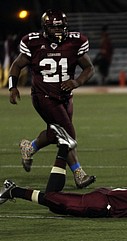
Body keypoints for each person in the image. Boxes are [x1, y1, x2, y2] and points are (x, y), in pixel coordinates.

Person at [8, 9, 96, 189]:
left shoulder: (74, 42)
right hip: (43, 96)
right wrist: (12, 87)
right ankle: (79, 173)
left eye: (61, 27)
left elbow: (89, 68)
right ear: (45, 28)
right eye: (53, 27)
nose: (58, 31)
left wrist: (77, 81)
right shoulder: (33, 42)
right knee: (68, 135)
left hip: (65, 97)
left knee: (55, 133)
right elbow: (17, 65)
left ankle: (29, 147)